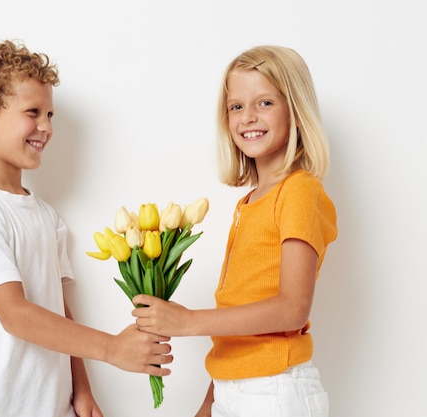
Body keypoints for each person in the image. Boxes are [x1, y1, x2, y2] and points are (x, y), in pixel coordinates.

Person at [0, 40, 172, 417]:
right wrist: (112, 348)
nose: (46, 127)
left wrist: (82, 390)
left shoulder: (45, 215)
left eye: (50, 114)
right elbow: (16, 314)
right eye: (33, 112)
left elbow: (59, 311)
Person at [131, 45, 337, 417]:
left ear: (297, 110)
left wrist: (188, 321)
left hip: (275, 391)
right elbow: (240, 317)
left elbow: (292, 308)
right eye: (236, 106)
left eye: (265, 103)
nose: (248, 117)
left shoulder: (300, 192)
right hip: (237, 393)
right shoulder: (251, 202)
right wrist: (210, 405)